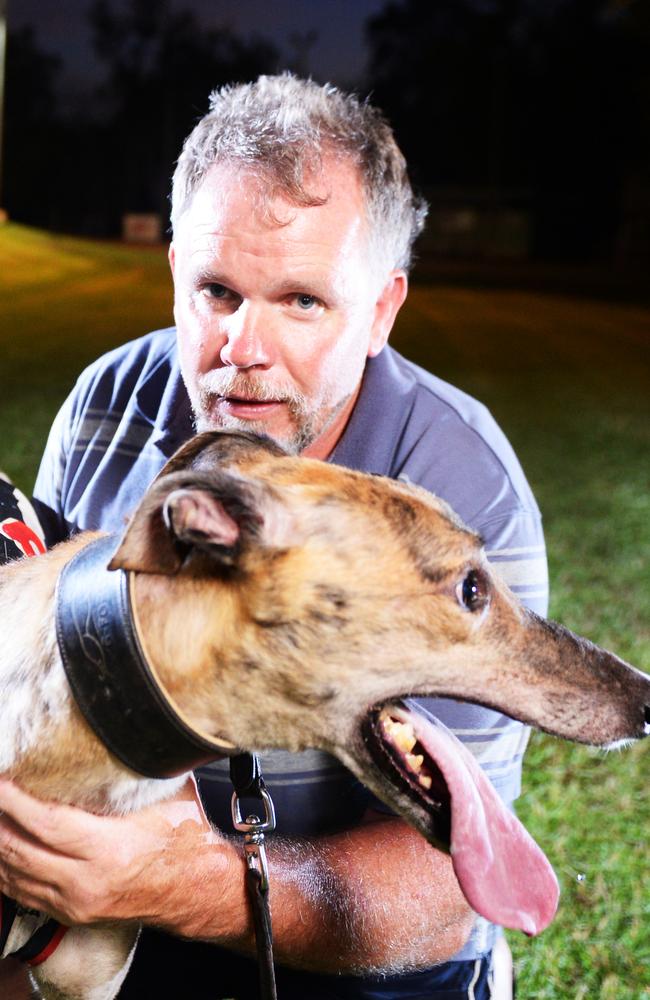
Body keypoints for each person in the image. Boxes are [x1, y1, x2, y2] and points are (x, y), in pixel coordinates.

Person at [0, 74, 547, 999]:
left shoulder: (461, 492)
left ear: (381, 310)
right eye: (216, 291)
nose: (241, 349)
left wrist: (192, 882)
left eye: (301, 301)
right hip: (114, 913)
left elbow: (446, 893)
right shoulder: (103, 409)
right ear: (174, 273)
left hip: (352, 945)